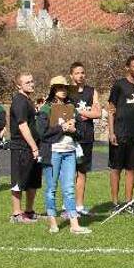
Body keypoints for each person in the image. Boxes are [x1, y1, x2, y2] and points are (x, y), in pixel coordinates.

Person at [36, 76, 92, 235]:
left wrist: (75, 131)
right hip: (52, 152)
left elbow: (80, 132)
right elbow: (42, 133)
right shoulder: (46, 109)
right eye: (59, 87)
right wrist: (62, 128)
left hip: (69, 152)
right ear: (53, 89)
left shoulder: (72, 108)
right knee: (51, 188)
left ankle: (74, 224)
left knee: (69, 189)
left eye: (65, 88)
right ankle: (52, 221)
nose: (63, 90)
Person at [108, 55, 134, 215]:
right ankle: (115, 203)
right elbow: (111, 109)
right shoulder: (119, 85)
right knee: (116, 169)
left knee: (131, 169)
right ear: (127, 67)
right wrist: (111, 132)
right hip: (119, 134)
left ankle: (129, 203)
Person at [68, 62, 102, 216]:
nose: (80, 75)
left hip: (87, 136)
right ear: (71, 75)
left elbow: (98, 113)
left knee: (82, 172)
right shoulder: (67, 92)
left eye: (82, 72)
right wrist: (81, 113)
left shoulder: (91, 91)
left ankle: (80, 206)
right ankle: (67, 205)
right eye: (77, 73)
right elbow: (65, 114)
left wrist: (81, 113)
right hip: (70, 137)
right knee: (69, 172)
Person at [9, 73, 42, 224]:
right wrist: (34, 146)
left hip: (32, 147)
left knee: (32, 180)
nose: (31, 84)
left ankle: (29, 211)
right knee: (19, 180)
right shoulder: (19, 101)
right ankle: (16, 214)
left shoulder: (28, 100)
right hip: (22, 147)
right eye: (27, 82)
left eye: (32, 81)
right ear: (19, 85)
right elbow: (22, 125)